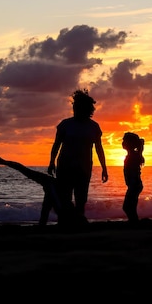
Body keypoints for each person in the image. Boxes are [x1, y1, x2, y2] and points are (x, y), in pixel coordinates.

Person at [47, 88, 108, 224]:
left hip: (84, 168)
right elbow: (56, 145)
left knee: (81, 198)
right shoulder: (65, 125)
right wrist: (51, 162)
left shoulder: (93, 127)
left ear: (87, 109)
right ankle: (64, 221)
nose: (75, 108)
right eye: (74, 106)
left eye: (78, 106)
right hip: (65, 166)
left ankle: (79, 221)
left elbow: (99, 149)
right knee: (65, 197)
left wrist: (104, 167)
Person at [0, 157, 65, 225]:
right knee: (26, 171)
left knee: (47, 207)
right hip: (51, 183)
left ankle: (42, 224)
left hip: (53, 184)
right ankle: (2, 161)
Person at [122, 132, 145, 223]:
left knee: (127, 207)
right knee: (130, 207)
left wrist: (132, 184)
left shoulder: (133, 156)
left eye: (125, 141)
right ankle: (134, 222)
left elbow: (133, 172)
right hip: (134, 185)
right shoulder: (132, 155)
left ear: (130, 143)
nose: (123, 143)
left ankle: (134, 222)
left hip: (134, 184)